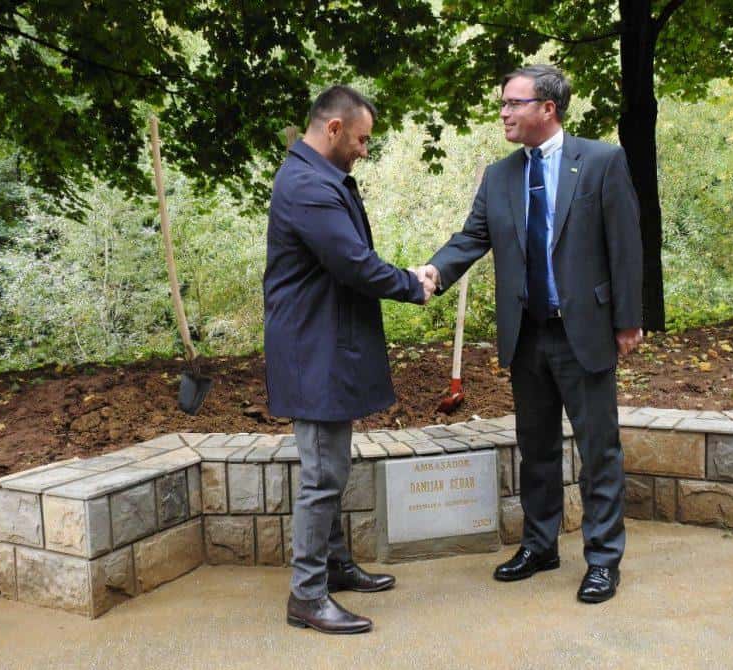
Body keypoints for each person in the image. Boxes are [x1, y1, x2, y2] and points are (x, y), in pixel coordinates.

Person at [415, 65, 643, 603]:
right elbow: (471, 237)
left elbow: (625, 244)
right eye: (502, 103)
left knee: (598, 451)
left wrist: (628, 319)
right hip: (527, 335)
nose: (503, 113)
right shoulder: (499, 176)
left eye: (513, 103)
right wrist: (433, 272)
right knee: (536, 450)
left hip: (584, 331)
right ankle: (540, 546)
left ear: (548, 108)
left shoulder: (602, 161)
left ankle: (603, 560)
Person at [264, 85, 435, 634]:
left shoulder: (317, 177)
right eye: (361, 139)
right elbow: (353, 262)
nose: (365, 149)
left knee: (332, 469)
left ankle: (334, 566)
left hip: (323, 344)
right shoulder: (308, 185)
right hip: (312, 351)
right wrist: (412, 284)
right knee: (322, 474)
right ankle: (306, 596)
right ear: (333, 129)